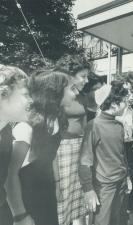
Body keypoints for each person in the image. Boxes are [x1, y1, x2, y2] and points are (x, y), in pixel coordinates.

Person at [6, 70, 76, 225]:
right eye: (71, 88)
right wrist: (20, 216)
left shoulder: (56, 120)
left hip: (46, 193)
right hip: (27, 200)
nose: (75, 93)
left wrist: (57, 184)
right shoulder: (26, 127)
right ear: (55, 93)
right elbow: (10, 175)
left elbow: (52, 155)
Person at [79, 80, 129, 225]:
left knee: (117, 220)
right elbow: (84, 161)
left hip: (121, 182)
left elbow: (121, 154)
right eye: (124, 101)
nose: (127, 104)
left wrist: (127, 177)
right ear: (114, 104)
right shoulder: (94, 126)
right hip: (104, 187)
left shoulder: (119, 125)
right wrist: (88, 189)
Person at [54, 54, 92, 225]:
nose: (87, 80)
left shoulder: (83, 96)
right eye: (83, 76)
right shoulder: (57, 95)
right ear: (70, 75)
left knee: (79, 203)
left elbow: (84, 124)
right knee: (63, 199)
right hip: (61, 151)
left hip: (80, 149)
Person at [0, 65, 32, 225]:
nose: (31, 100)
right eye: (25, 94)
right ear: (3, 94)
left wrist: (19, 216)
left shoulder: (5, 132)